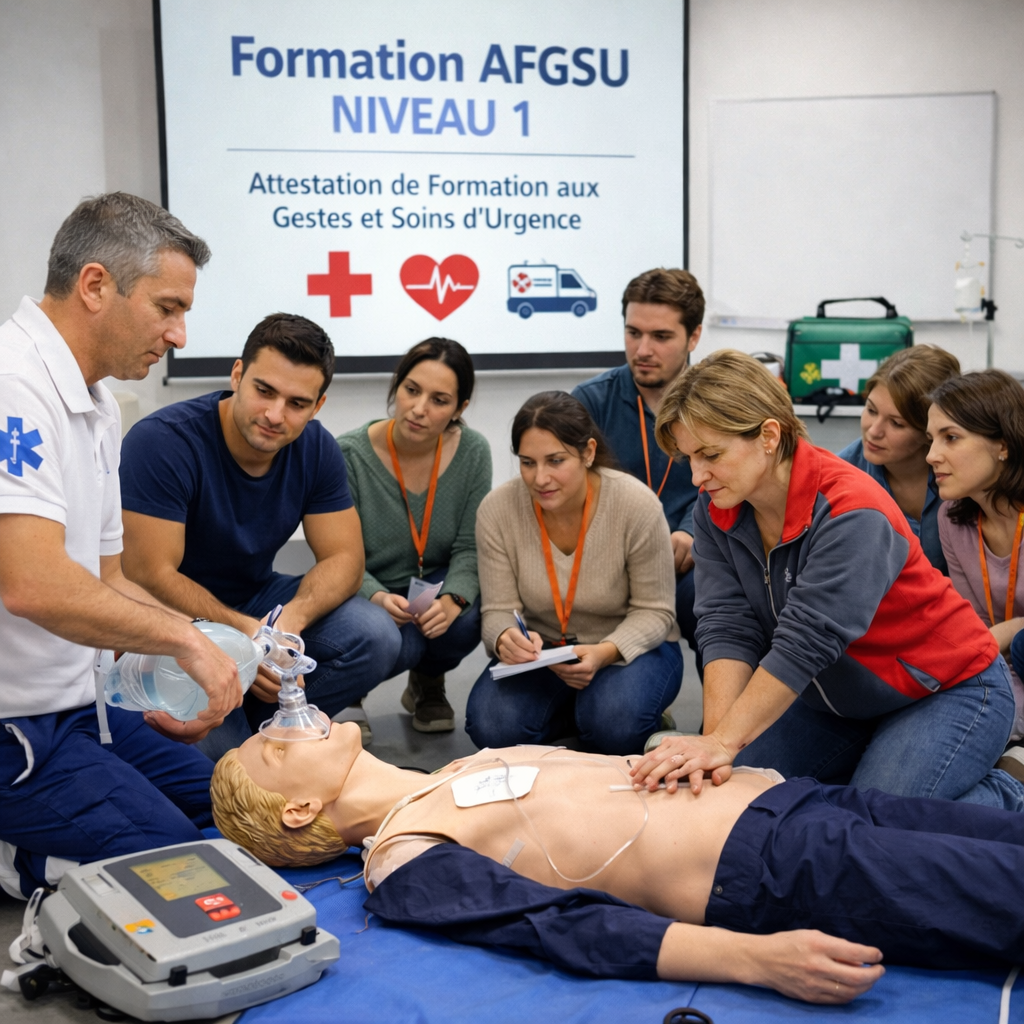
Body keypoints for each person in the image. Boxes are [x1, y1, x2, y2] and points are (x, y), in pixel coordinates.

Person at [211, 722, 1024, 1005]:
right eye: (267, 748)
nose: (280, 724)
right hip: (776, 865)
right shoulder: (403, 857)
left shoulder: (448, 771)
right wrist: (754, 960)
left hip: (801, 802)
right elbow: (560, 926)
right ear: (299, 811)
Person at [631, 350, 1024, 809]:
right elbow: (727, 625)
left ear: (768, 436)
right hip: (840, 700)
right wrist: (715, 744)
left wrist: (722, 744)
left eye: (711, 455)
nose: (698, 476)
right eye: (690, 459)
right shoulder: (717, 506)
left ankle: (1008, 792)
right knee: (736, 797)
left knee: (868, 823)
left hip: (948, 688)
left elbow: (804, 643)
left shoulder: (852, 510)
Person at [0, 193, 242, 897]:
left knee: (230, 812)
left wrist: (215, 648)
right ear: (95, 285)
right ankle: (21, 860)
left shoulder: (98, 403)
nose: (179, 335)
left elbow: (107, 577)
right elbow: (33, 585)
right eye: (168, 308)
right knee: (182, 867)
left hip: (82, 705)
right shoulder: (13, 387)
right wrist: (184, 641)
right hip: (14, 726)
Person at [119, 313, 373, 757]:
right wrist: (248, 636)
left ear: (317, 406)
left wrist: (287, 623)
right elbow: (149, 575)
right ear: (237, 375)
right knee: (223, 766)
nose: (275, 415)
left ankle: (266, 724)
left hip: (256, 603)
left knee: (374, 633)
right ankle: (244, 733)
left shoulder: (317, 447)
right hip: (171, 616)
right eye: (264, 391)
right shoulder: (162, 442)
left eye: (297, 403)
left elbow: (346, 559)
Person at [465, 392, 681, 755]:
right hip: (544, 654)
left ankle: (604, 718)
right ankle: (581, 718)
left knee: (614, 723)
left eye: (556, 461)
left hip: (627, 647)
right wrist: (504, 638)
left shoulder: (635, 504)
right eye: (527, 463)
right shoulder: (498, 509)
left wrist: (605, 652)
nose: (540, 478)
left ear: (588, 453)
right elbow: (498, 609)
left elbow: (656, 612)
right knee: (492, 724)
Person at [336, 338, 490, 733]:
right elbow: (338, 555)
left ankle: (428, 681)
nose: (419, 409)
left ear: (459, 409)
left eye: (439, 400)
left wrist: (454, 599)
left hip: (431, 582)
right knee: (390, 638)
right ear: (397, 385)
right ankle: (350, 691)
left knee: (470, 615)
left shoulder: (473, 451)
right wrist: (375, 595)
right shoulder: (348, 454)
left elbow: (469, 547)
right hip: (366, 587)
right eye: (411, 390)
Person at [572, 269, 703, 670]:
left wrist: (692, 529)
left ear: (694, 337)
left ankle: (725, 708)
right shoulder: (590, 403)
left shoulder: (717, 404)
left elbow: (737, 483)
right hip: (612, 566)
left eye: (661, 336)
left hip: (688, 560)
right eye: (633, 333)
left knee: (719, 608)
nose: (642, 349)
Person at [928, 370, 1024, 774]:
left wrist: (1010, 630)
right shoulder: (952, 517)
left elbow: (990, 638)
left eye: (950, 438)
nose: (932, 455)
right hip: (1001, 672)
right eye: (931, 439)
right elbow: (977, 627)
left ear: (1003, 445)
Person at [838, 345, 960, 573]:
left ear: (929, 430)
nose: (874, 431)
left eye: (896, 423)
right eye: (871, 410)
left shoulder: (966, 474)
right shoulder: (841, 476)